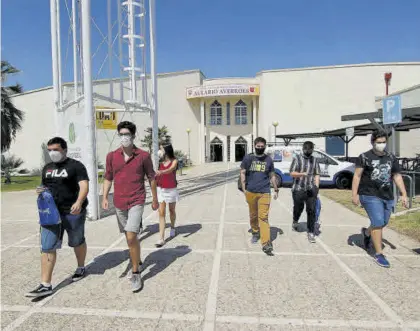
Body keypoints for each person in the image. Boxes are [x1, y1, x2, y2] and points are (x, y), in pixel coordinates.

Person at [25, 137, 89, 298]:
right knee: (47, 246)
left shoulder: (76, 166)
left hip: (72, 212)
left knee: (76, 241)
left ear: (65, 150)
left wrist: (79, 202)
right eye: (50, 150)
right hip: (51, 213)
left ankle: (81, 267)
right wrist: (40, 190)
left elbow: (84, 185)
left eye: (56, 150)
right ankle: (45, 284)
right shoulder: (47, 168)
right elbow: (45, 186)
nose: (52, 153)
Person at [102, 121, 159, 292]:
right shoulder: (112, 156)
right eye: (121, 134)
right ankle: (137, 258)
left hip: (137, 199)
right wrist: (105, 197)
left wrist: (155, 198)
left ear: (133, 136)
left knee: (131, 236)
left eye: (127, 134)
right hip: (119, 202)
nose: (124, 137)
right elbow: (108, 177)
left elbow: (151, 177)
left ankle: (136, 272)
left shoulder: (143, 156)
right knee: (130, 236)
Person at [352, 130, 408, 268]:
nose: (381, 145)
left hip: (386, 195)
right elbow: (357, 176)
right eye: (379, 142)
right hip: (369, 194)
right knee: (377, 221)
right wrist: (354, 194)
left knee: (382, 222)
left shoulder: (391, 157)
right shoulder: (364, 157)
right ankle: (379, 254)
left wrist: (404, 194)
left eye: (383, 142)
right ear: (373, 142)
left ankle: (366, 233)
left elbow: (396, 175)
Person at [240, 137, 279, 256]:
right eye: (258, 146)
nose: (260, 148)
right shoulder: (248, 158)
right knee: (253, 215)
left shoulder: (268, 160)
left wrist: (276, 188)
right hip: (251, 191)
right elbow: (242, 172)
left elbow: (272, 174)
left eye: (262, 147)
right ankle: (256, 232)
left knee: (263, 217)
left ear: (265, 147)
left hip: (264, 192)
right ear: (254, 145)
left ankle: (266, 243)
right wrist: (244, 189)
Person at [289, 141, 321, 243]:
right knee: (299, 207)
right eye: (306, 149)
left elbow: (317, 173)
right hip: (298, 188)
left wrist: (316, 187)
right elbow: (292, 173)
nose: (308, 151)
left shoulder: (314, 160)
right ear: (303, 149)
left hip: (310, 189)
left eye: (310, 150)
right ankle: (295, 220)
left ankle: (311, 231)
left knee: (311, 210)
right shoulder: (297, 158)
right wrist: (302, 174)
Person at [155, 144, 179, 247]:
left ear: (167, 150)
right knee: (161, 213)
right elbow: (156, 174)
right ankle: (161, 238)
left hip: (171, 189)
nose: (160, 151)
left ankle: (172, 227)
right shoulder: (160, 162)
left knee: (171, 210)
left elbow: (171, 169)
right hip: (161, 189)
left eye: (161, 149)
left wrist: (162, 172)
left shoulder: (174, 161)